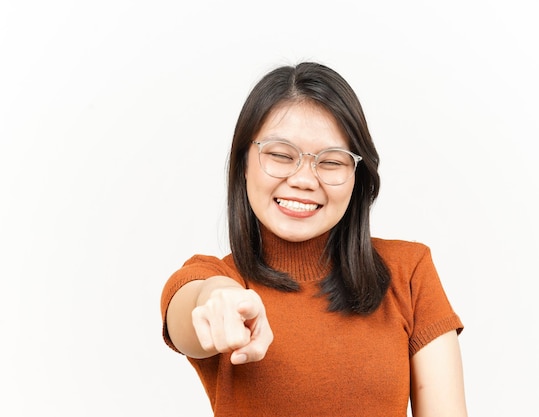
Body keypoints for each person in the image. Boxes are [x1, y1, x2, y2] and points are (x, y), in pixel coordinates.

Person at [160, 62, 468, 417]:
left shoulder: (409, 271)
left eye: (331, 162)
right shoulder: (222, 280)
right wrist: (219, 298)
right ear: (244, 162)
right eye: (279, 155)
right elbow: (189, 306)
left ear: (357, 175)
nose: (304, 179)